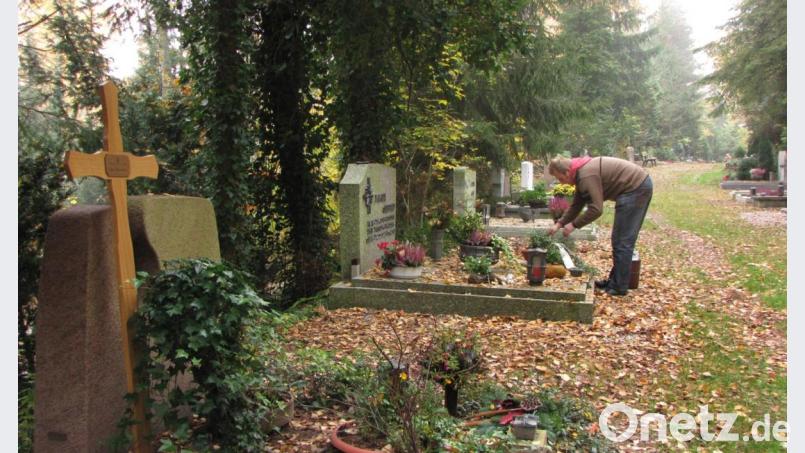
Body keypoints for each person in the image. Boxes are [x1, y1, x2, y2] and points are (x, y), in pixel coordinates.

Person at [547, 155, 652, 296]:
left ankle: (619, 286)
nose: (562, 183)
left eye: (560, 178)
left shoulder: (586, 175)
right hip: (635, 188)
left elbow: (596, 209)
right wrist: (559, 224)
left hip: (636, 188)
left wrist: (574, 225)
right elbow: (577, 204)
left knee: (623, 241)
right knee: (619, 240)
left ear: (567, 172)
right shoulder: (580, 172)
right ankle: (615, 281)